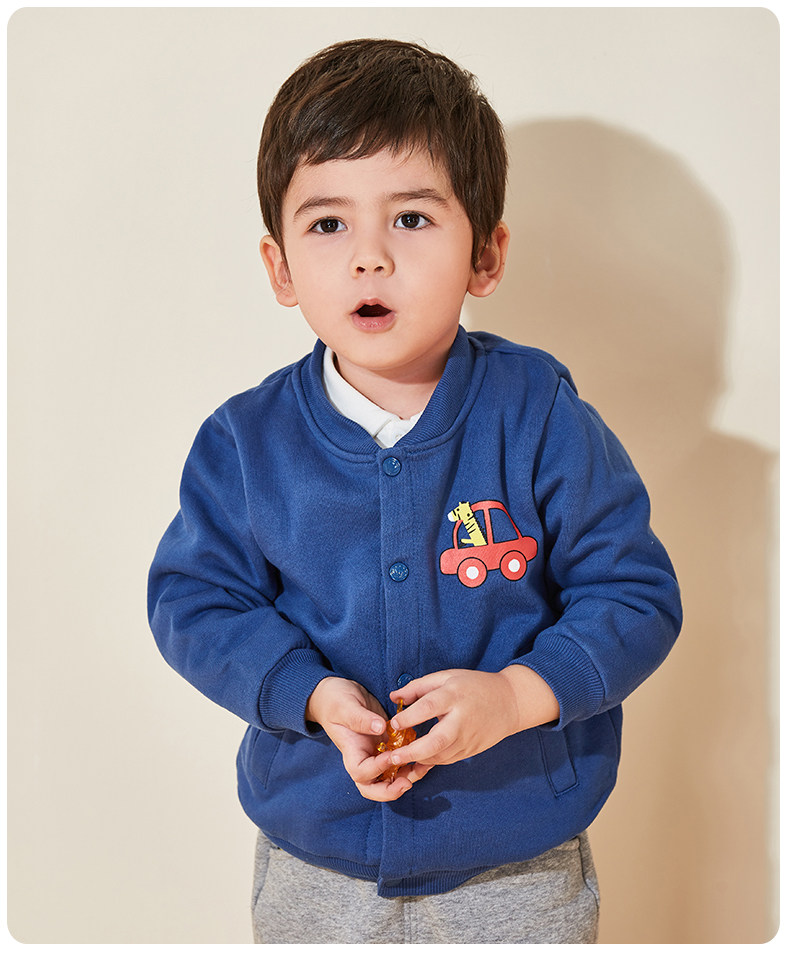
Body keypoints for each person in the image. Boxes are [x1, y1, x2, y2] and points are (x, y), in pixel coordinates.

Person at [148, 38, 682, 944]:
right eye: (328, 225)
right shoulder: (244, 442)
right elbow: (194, 601)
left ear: (486, 254)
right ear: (280, 268)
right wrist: (310, 693)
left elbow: (633, 593)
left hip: (518, 858)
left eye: (411, 218)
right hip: (316, 861)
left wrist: (517, 695)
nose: (369, 257)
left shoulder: (539, 413)